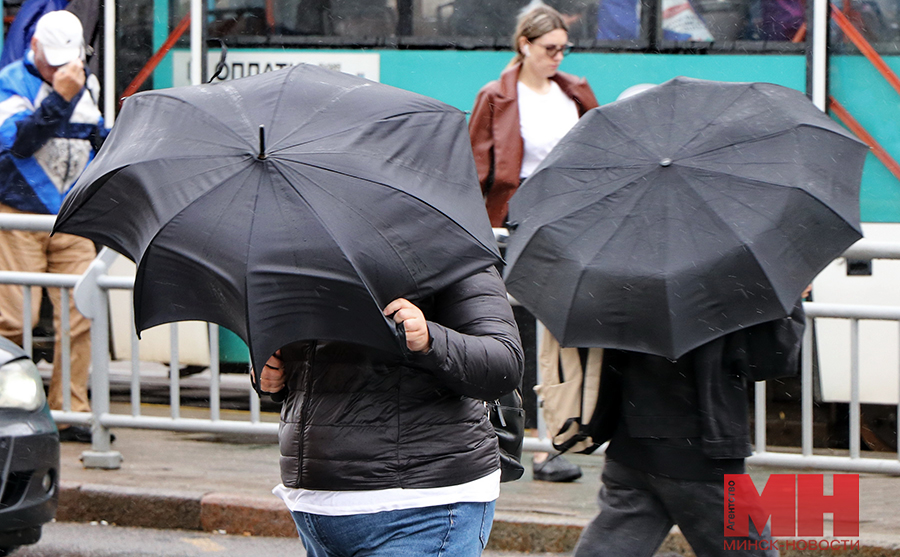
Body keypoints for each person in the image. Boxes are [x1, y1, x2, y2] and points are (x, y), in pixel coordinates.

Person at [257, 266, 524, 556]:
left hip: (421, 507)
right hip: (316, 506)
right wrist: (270, 370)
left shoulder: (448, 252)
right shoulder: (301, 251)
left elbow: (502, 364)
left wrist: (428, 338)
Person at [468, 1, 598, 483]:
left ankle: (552, 443)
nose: (559, 57)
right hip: (512, 231)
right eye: (550, 48)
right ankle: (511, 443)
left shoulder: (575, 94)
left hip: (566, 229)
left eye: (564, 49)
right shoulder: (497, 97)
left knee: (559, 339)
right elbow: (475, 173)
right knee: (516, 338)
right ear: (525, 44)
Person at [572, 302, 806, 557]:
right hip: (700, 448)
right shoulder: (720, 282)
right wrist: (790, 303)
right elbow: (768, 360)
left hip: (631, 439)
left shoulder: (628, 276)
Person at [0, 10, 108, 443]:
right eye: (52, 61)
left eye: (69, 59)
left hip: (69, 213)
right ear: (34, 49)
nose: (60, 69)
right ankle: (10, 409)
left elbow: (97, 138)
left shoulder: (88, 83)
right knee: (12, 319)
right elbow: (19, 144)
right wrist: (59, 98)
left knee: (80, 314)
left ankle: (69, 413)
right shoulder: (10, 81)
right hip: (19, 213)